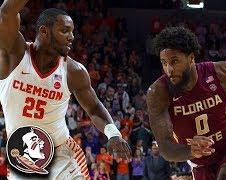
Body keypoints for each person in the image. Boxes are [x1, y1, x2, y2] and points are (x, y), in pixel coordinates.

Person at [0, 1, 130, 179]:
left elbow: (93, 107)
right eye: (64, 31)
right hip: (23, 156)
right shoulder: (15, 54)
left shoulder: (73, 71)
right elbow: (7, 11)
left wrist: (113, 134)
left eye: (72, 32)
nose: (72, 37)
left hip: (62, 153)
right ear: (44, 31)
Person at [146, 26, 226, 179]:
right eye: (164, 63)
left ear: (191, 58)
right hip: (199, 165)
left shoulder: (222, 73)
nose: (169, 69)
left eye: (174, 61)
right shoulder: (158, 92)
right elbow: (166, 148)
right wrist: (190, 151)